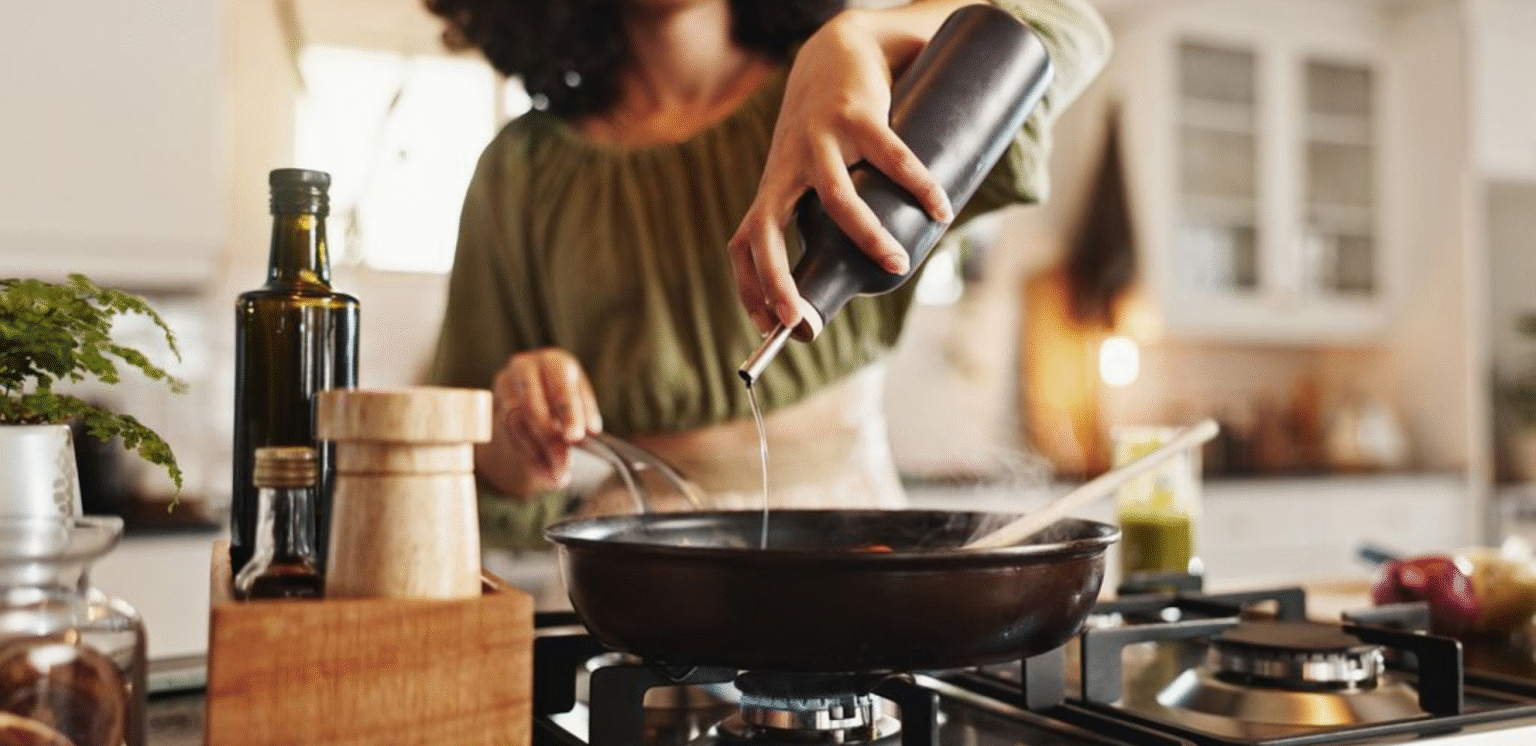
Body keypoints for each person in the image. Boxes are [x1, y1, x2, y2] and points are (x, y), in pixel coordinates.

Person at [425, 0, 1111, 548]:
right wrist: (522, 420)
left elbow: (1066, 27)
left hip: (854, 546)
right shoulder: (520, 173)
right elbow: (462, 462)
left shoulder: (841, 95)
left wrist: (865, 36)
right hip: (652, 576)